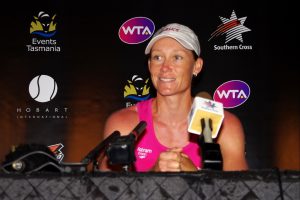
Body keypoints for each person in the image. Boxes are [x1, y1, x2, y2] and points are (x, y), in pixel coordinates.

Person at [100, 23, 248, 172]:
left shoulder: (225, 125)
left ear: (197, 66)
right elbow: (111, 192)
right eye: (157, 57)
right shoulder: (124, 124)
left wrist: (195, 177)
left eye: (177, 57)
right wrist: (154, 175)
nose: (165, 67)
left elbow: (239, 192)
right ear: (150, 65)